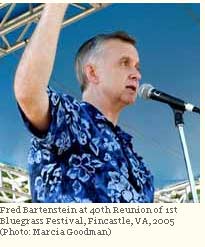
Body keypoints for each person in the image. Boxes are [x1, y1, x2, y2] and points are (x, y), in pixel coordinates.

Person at [14, 3, 154, 203]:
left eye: (137, 66)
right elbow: (28, 93)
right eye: (124, 63)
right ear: (92, 73)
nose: (137, 74)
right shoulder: (71, 119)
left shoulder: (139, 164)